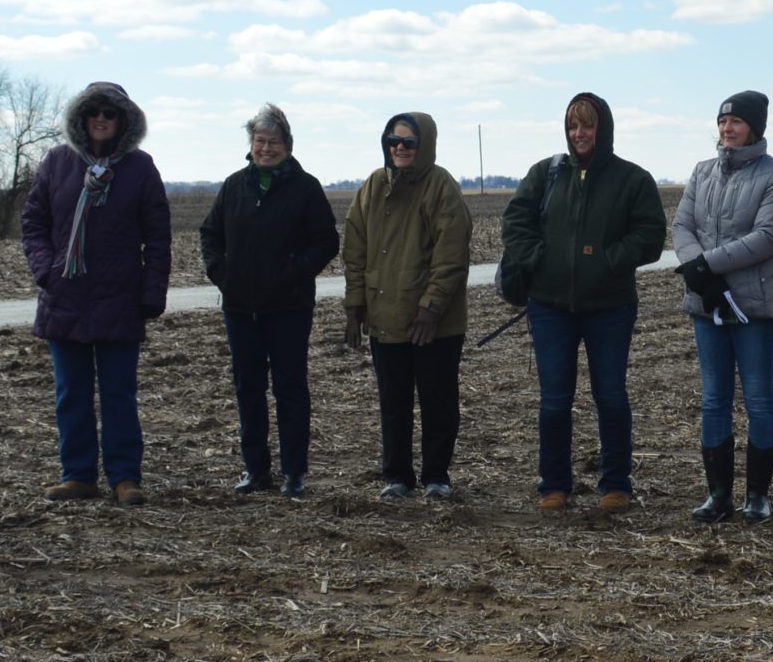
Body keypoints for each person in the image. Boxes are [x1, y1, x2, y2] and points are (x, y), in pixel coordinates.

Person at [503, 92, 667, 512]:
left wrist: (610, 260)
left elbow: (650, 235)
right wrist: (542, 259)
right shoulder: (546, 174)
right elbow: (515, 222)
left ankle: (616, 484)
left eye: (588, 125)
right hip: (550, 306)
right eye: (574, 125)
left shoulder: (633, 179)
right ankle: (554, 485)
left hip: (610, 307)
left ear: (603, 129)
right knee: (554, 399)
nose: (580, 133)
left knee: (611, 396)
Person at [20, 83, 170, 505]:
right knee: (72, 393)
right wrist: (47, 271)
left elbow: (158, 237)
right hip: (64, 298)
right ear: (81, 118)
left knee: (119, 394)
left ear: (124, 121)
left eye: (110, 112)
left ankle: (125, 477)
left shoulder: (140, 168)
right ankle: (78, 475)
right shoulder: (56, 162)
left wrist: (151, 292)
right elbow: (33, 223)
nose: (100, 118)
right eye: (92, 112)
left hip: (120, 299)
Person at [201, 105, 339, 495]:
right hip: (241, 308)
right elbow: (210, 234)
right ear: (251, 145)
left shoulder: (305, 188)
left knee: (290, 388)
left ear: (288, 146)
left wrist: (294, 273)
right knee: (248, 388)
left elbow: (327, 241)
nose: (265, 148)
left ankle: (295, 472)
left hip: (289, 307)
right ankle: (256, 470)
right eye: (259, 141)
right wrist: (222, 275)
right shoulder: (233, 186)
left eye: (273, 142)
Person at [671, 91, 773, 522]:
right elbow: (682, 224)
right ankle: (718, 493)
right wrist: (697, 270)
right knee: (713, 400)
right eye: (723, 121)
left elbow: (768, 236)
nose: (727, 128)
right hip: (707, 305)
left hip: (753, 307)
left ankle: (757, 494)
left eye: (737, 122)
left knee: (759, 400)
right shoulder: (702, 172)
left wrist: (706, 264)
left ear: (755, 127)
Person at [341, 112, 471, 499]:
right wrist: (354, 305)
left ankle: (436, 476)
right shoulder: (372, 187)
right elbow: (355, 248)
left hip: (435, 324)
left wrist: (431, 310)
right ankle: (397, 476)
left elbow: (451, 256)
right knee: (393, 403)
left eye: (408, 142)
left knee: (437, 402)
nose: (399, 148)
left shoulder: (440, 187)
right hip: (386, 318)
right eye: (393, 140)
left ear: (423, 146)